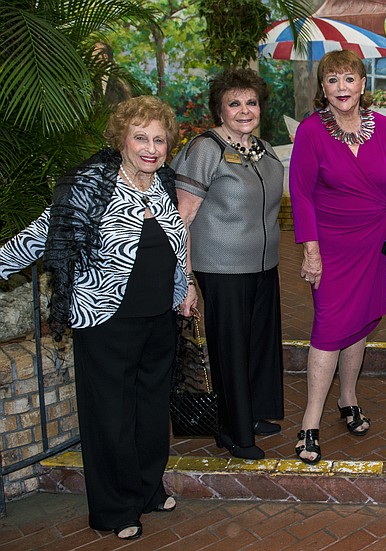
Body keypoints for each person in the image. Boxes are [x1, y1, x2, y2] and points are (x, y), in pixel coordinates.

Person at [0, 96, 193, 540]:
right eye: (141, 137)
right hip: (107, 321)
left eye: (159, 139)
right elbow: (44, 233)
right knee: (110, 416)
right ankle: (114, 508)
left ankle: (147, 490)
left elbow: (176, 242)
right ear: (121, 139)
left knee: (149, 410)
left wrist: (188, 286)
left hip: (158, 318)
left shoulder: (162, 183)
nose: (151, 147)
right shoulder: (93, 186)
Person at [289, 50, 386, 464]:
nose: (341, 88)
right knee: (329, 326)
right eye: (332, 80)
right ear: (322, 88)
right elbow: (300, 194)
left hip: (372, 244)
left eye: (348, 79)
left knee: (359, 324)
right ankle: (310, 423)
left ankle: (348, 399)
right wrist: (311, 252)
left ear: (363, 84)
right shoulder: (311, 132)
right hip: (330, 248)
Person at [172, 68, 284, 461]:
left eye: (250, 102)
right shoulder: (206, 149)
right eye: (234, 103)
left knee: (257, 344)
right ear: (219, 110)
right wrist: (184, 279)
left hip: (264, 266)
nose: (244, 110)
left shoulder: (266, 149)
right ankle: (231, 431)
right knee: (231, 350)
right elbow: (181, 218)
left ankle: (251, 413)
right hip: (220, 268)